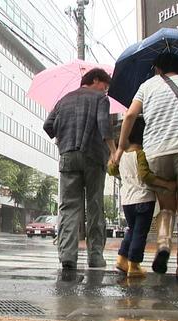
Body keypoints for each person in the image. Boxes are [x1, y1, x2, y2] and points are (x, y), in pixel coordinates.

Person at [114, 52, 178, 280]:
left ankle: (163, 244)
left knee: (167, 206)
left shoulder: (147, 86)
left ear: (158, 69)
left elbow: (130, 114)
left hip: (156, 152)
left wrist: (121, 147)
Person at [43, 68, 117, 269]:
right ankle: (95, 256)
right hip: (93, 155)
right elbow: (103, 124)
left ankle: (67, 255)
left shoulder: (63, 100)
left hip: (68, 155)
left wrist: (63, 137)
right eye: (105, 86)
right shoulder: (100, 99)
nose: (105, 91)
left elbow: (47, 125)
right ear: (95, 80)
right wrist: (113, 150)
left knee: (69, 206)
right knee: (94, 205)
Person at [108, 117, 176, 278]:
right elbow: (146, 176)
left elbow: (112, 170)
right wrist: (166, 184)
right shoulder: (141, 154)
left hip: (127, 201)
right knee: (140, 233)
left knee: (132, 231)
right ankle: (134, 264)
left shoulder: (121, 156)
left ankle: (121, 259)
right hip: (144, 199)